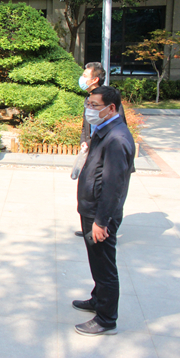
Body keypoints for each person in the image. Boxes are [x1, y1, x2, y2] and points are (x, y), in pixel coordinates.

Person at [74, 85, 135, 336]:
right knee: (96, 261)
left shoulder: (117, 138)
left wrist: (101, 221)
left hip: (100, 213)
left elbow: (114, 186)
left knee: (104, 266)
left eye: (94, 106)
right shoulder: (104, 130)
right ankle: (98, 299)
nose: (89, 109)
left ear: (111, 108)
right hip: (91, 207)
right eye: (88, 104)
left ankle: (106, 319)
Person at [75, 62, 128, 238]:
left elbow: (117, 127)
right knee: (91, 189)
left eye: (85, 75)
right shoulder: (90, 98)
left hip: (108, 155)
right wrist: (85, 141)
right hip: (93, 151)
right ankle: (90, 225)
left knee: (110, 192)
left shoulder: (108, 100)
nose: (82, 78)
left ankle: (107, 231)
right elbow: (86, 126)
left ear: (95, 79)